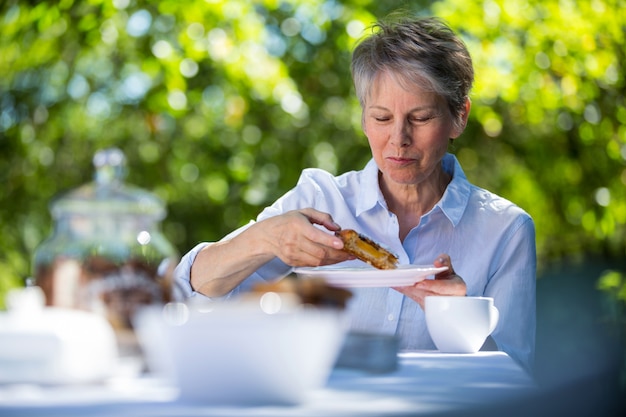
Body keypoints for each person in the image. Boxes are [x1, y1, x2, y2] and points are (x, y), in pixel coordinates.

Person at [174, 13, 536, 373]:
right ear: (364, 118)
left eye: (421, 118)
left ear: (460, 116)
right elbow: (187, 295)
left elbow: (515, 377)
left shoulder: (506, 230)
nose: (399, 139)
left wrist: (460, 317)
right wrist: (264, 239)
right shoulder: (321, 201)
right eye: (381, 118)